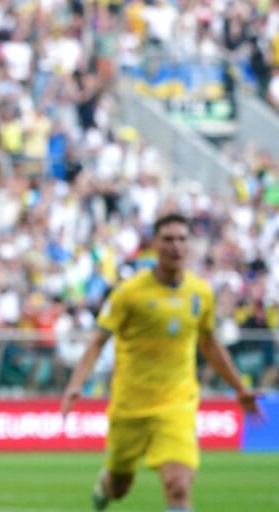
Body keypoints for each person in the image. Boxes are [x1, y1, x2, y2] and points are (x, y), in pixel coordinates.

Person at [60, 213, 261, 512]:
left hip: (176, 405)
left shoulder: (201, 292)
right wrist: (76, 384)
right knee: (119, 486)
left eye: (182, 239)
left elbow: (210, 343)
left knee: (178, 485)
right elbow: (98, 341)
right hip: (130, 406)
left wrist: (239, 388)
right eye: (168, 239)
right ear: (154, 244)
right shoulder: (129, 292)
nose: (175, 246)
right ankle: (105, 486)